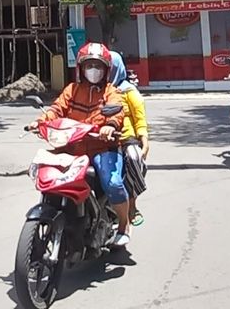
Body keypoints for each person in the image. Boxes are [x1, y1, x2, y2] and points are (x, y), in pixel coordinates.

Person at [27, 42, 132, 247]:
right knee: (50, 175)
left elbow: (117, 111)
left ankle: (123, 225)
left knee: (112, 183)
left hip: (101, 148)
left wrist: (109, 126)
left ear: (106, 69)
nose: (93, 70)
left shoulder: (111, 92)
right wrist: (40, 122)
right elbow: (57, 109)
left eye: (98, 66)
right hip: (72, 148)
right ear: (81, 68)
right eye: (89, 65)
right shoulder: (72, 90)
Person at [109, 52, 149, 227]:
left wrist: (144, 140)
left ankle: (132, 205)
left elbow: (140, 117)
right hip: (101, 138)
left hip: (127, 138)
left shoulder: (128, 90)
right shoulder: (96, 90)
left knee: (134, 158)